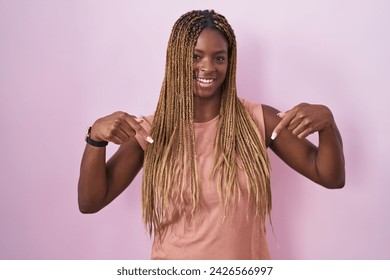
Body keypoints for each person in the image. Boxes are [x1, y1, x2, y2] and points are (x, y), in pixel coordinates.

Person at [78, 10, 345, 260]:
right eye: (196, 56)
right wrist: (95, 139)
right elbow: (91, 202)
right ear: (177, 58)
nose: (208, 67)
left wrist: (328, 125)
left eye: (219, 57)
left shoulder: (257, 120)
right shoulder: (153, 131)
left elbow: (329, 176)